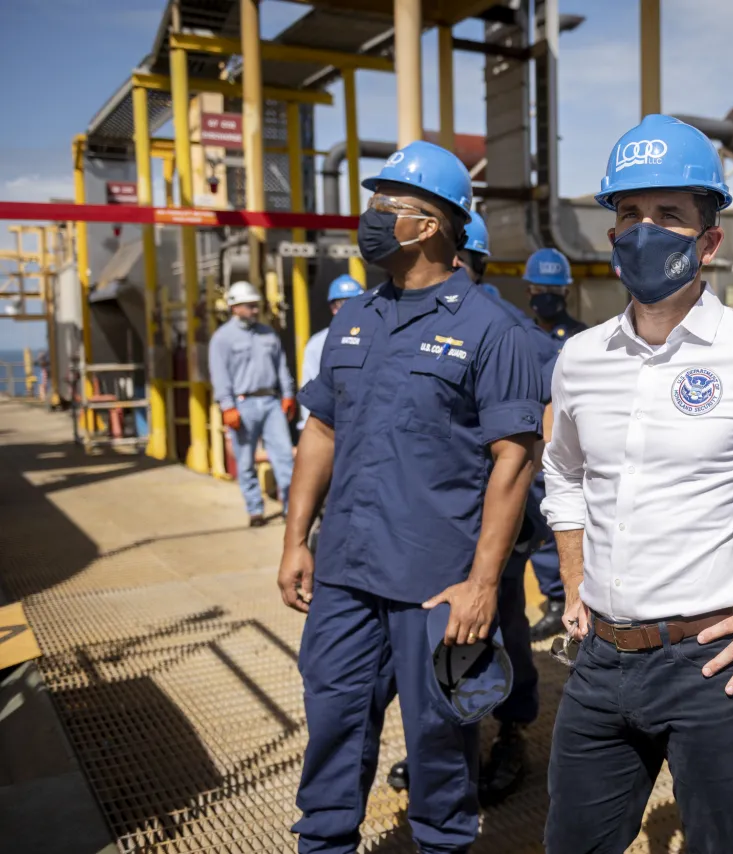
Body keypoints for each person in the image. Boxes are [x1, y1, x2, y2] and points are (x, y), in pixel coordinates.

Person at [540, 113, 733, 854]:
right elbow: (561, 472)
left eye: (669, 215)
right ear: (610, 234)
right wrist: (572, 579)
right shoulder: (581, 359)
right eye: (629, 214)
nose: (644, 229)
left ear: (709, 241)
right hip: (598, 663)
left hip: (714, 665)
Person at [278, 140, 544, 854]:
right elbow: (322, 431)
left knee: (438, 744)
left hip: (436, 586)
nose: (367, 221)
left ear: (427, 225)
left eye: (382, 207)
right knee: (332, 723)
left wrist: (485, 585)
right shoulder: (354, 318)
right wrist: (295, 540)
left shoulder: (492, 330)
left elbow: (514, 462)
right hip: (344, 575)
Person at [385, 212, 554, 806]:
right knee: (433, 640)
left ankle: (510, 734)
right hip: (426, 526)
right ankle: (438, 744)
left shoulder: (512, 334)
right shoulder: (402, 322)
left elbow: (540, 439)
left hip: (493, 525)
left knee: (500, 630)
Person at [522, 246, 588, 641]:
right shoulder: (517, 335)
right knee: (531, 530)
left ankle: (561, 600)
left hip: (563, 453)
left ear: (566, 291)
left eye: (552, 289)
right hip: (524, 449)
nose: (544, 296)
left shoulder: (582, 338)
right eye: (538, 288)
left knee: (562, 527)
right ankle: (552, 599)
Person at [209, 281, 296, 527]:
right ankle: (255, 510)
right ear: (235, 307)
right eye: (249, 306)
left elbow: (281, 366)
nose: (255, 310)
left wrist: (288, 394)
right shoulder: (222, 339)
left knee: (284, 458)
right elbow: (220, 375)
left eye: (256, 305)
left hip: (270, 402)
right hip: (242, 404)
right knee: (245, 461)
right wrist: (227, 407)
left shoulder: (268, 334)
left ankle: (291, 508)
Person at [298, 274, 364, 429]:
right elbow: (310, 384)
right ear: (333, 308)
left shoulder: (379, 335)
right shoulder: (318, 343)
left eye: (358, 302)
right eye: (345, 303)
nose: (353, 308)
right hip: (334, 423)